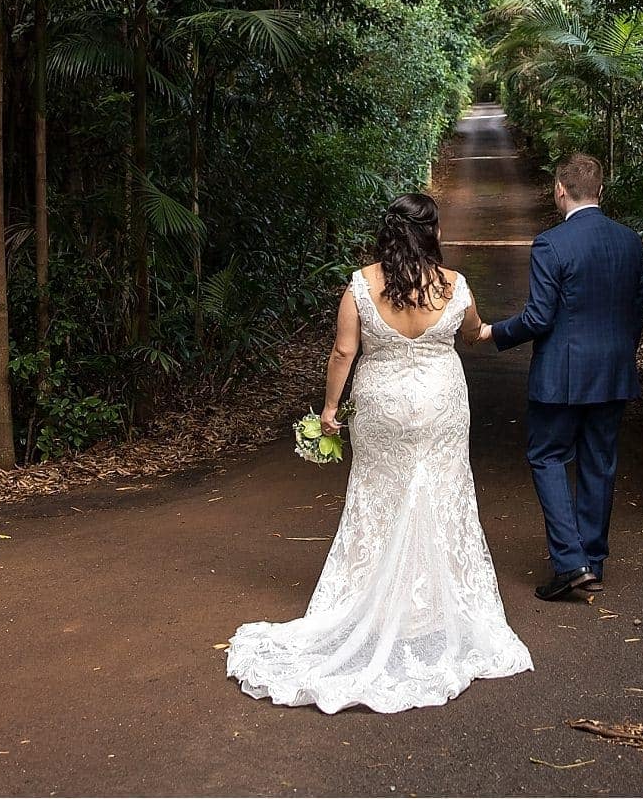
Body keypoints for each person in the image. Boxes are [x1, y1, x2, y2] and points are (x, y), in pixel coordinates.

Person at [225, 193, 532, 712]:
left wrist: (329, 411)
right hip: (440, 405)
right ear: (432, 232)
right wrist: (506, 329)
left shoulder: (361, 285)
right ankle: (434, 606)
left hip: (382, 406)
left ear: (388, 232)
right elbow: (473, 332)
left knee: (378, 496)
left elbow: (345, 350)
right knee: (442, 491)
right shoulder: (454, 285)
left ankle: (375, 600)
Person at [482, 153, 643, 600]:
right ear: (601, 191)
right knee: (600, 461)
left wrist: (493, 331)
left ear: (560, 189)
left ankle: (570, 561)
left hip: (562, 376)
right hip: (613, 373)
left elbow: (538, 318)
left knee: (547, 456)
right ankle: (591, 559)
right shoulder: (630, 242)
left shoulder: (551, 244)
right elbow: (635, 315)